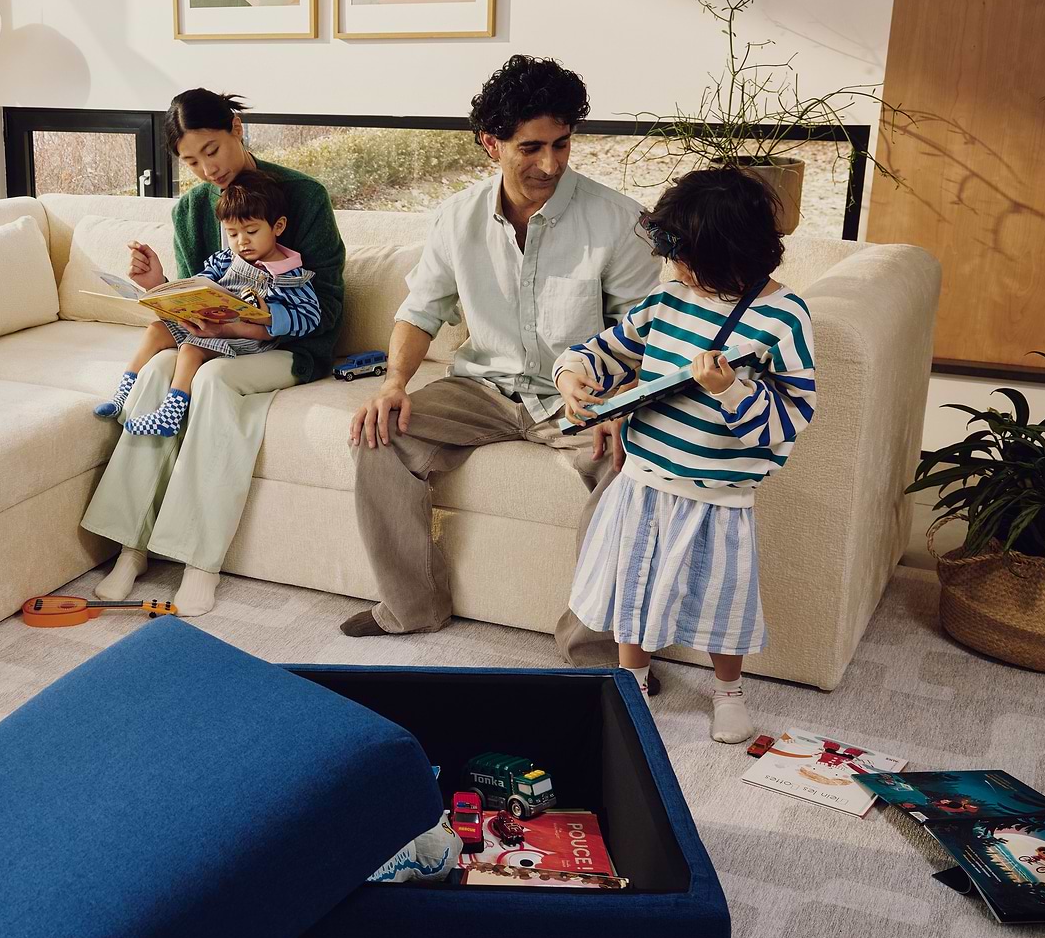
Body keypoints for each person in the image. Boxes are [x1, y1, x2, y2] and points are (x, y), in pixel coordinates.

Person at [342, 55, 655, 675]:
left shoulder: (618, 221)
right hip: (481, 388)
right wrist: (395, 383)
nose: (550, 164)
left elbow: (645, 330)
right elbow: (420, 310)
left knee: (633, 469)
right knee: (378, 434)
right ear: (492, 144)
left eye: (562, 144)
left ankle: (594, 652)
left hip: (581, 395)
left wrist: (628, 403)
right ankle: (410, 607)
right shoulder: (456, 218)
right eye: (530, 147)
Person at [557, 166, 818, 742]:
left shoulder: (784, 316)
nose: (673, 266)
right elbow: (609, 349)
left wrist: (731, 391)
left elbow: (794, 414)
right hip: (644, 479)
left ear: (727, 251)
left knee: (723, 598)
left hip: (720, 492)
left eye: (684, 255)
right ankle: (632, 683)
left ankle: (728, 692)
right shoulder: (668, 298)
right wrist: (572, 375)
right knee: (634, 585)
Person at [81, 90, 345, 616]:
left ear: (236, 128)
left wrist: (251, 320)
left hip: (290, 348)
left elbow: (328, 307)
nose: (208, 170)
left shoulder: (303, 195)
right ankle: (131, 547)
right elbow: (196, 292)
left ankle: (201, 562)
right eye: (191, 161)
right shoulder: (190, 210)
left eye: (212, 150)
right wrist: (161, 288)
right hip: (216, 341)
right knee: (159, 369)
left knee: (214, 381)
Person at [95, 170, 322, 438]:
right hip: (208, 325)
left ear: (278, 226)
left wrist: (269, 315)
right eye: (233, 234)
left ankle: (170, 414)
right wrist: (172, 296)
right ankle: (122, 395)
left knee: (191, 349)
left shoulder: (290, 275)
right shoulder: (224, 260)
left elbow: (310, 316)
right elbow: (197, 285)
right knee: (156, 330)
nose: (242, 242)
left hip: (248, 341)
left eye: (251, 231)